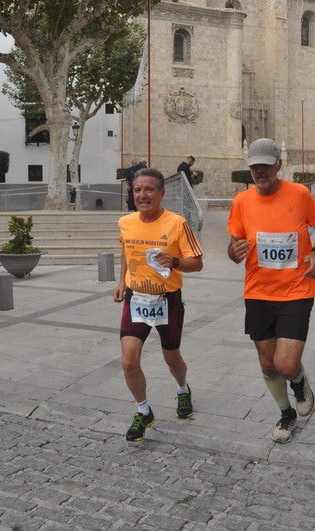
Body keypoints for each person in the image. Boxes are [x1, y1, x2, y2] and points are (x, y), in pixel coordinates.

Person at [227, 138, 315, 444]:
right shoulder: (241, 202)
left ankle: (299, 382)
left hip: (297, 290)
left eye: (265, 166)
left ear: (278, 165)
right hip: (258, 292)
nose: (260, 172)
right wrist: (234, 252)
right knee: (267, 363)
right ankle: (286, 413)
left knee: (285, 364)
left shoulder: (299, 194)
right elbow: (233, 247)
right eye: (254, 166)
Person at [114, 167, 204, 442]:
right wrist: (121, 281)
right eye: (138, 189)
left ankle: (182, 389)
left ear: (162, 194)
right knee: (129, 361)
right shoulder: (126, 222)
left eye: (149, 189)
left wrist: (174, 261)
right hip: (136, 298)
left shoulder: (177, 223)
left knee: (171, 357)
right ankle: (143, 411)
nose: (142, 195)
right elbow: (127, 251)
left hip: (167, 300)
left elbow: (197, 263)